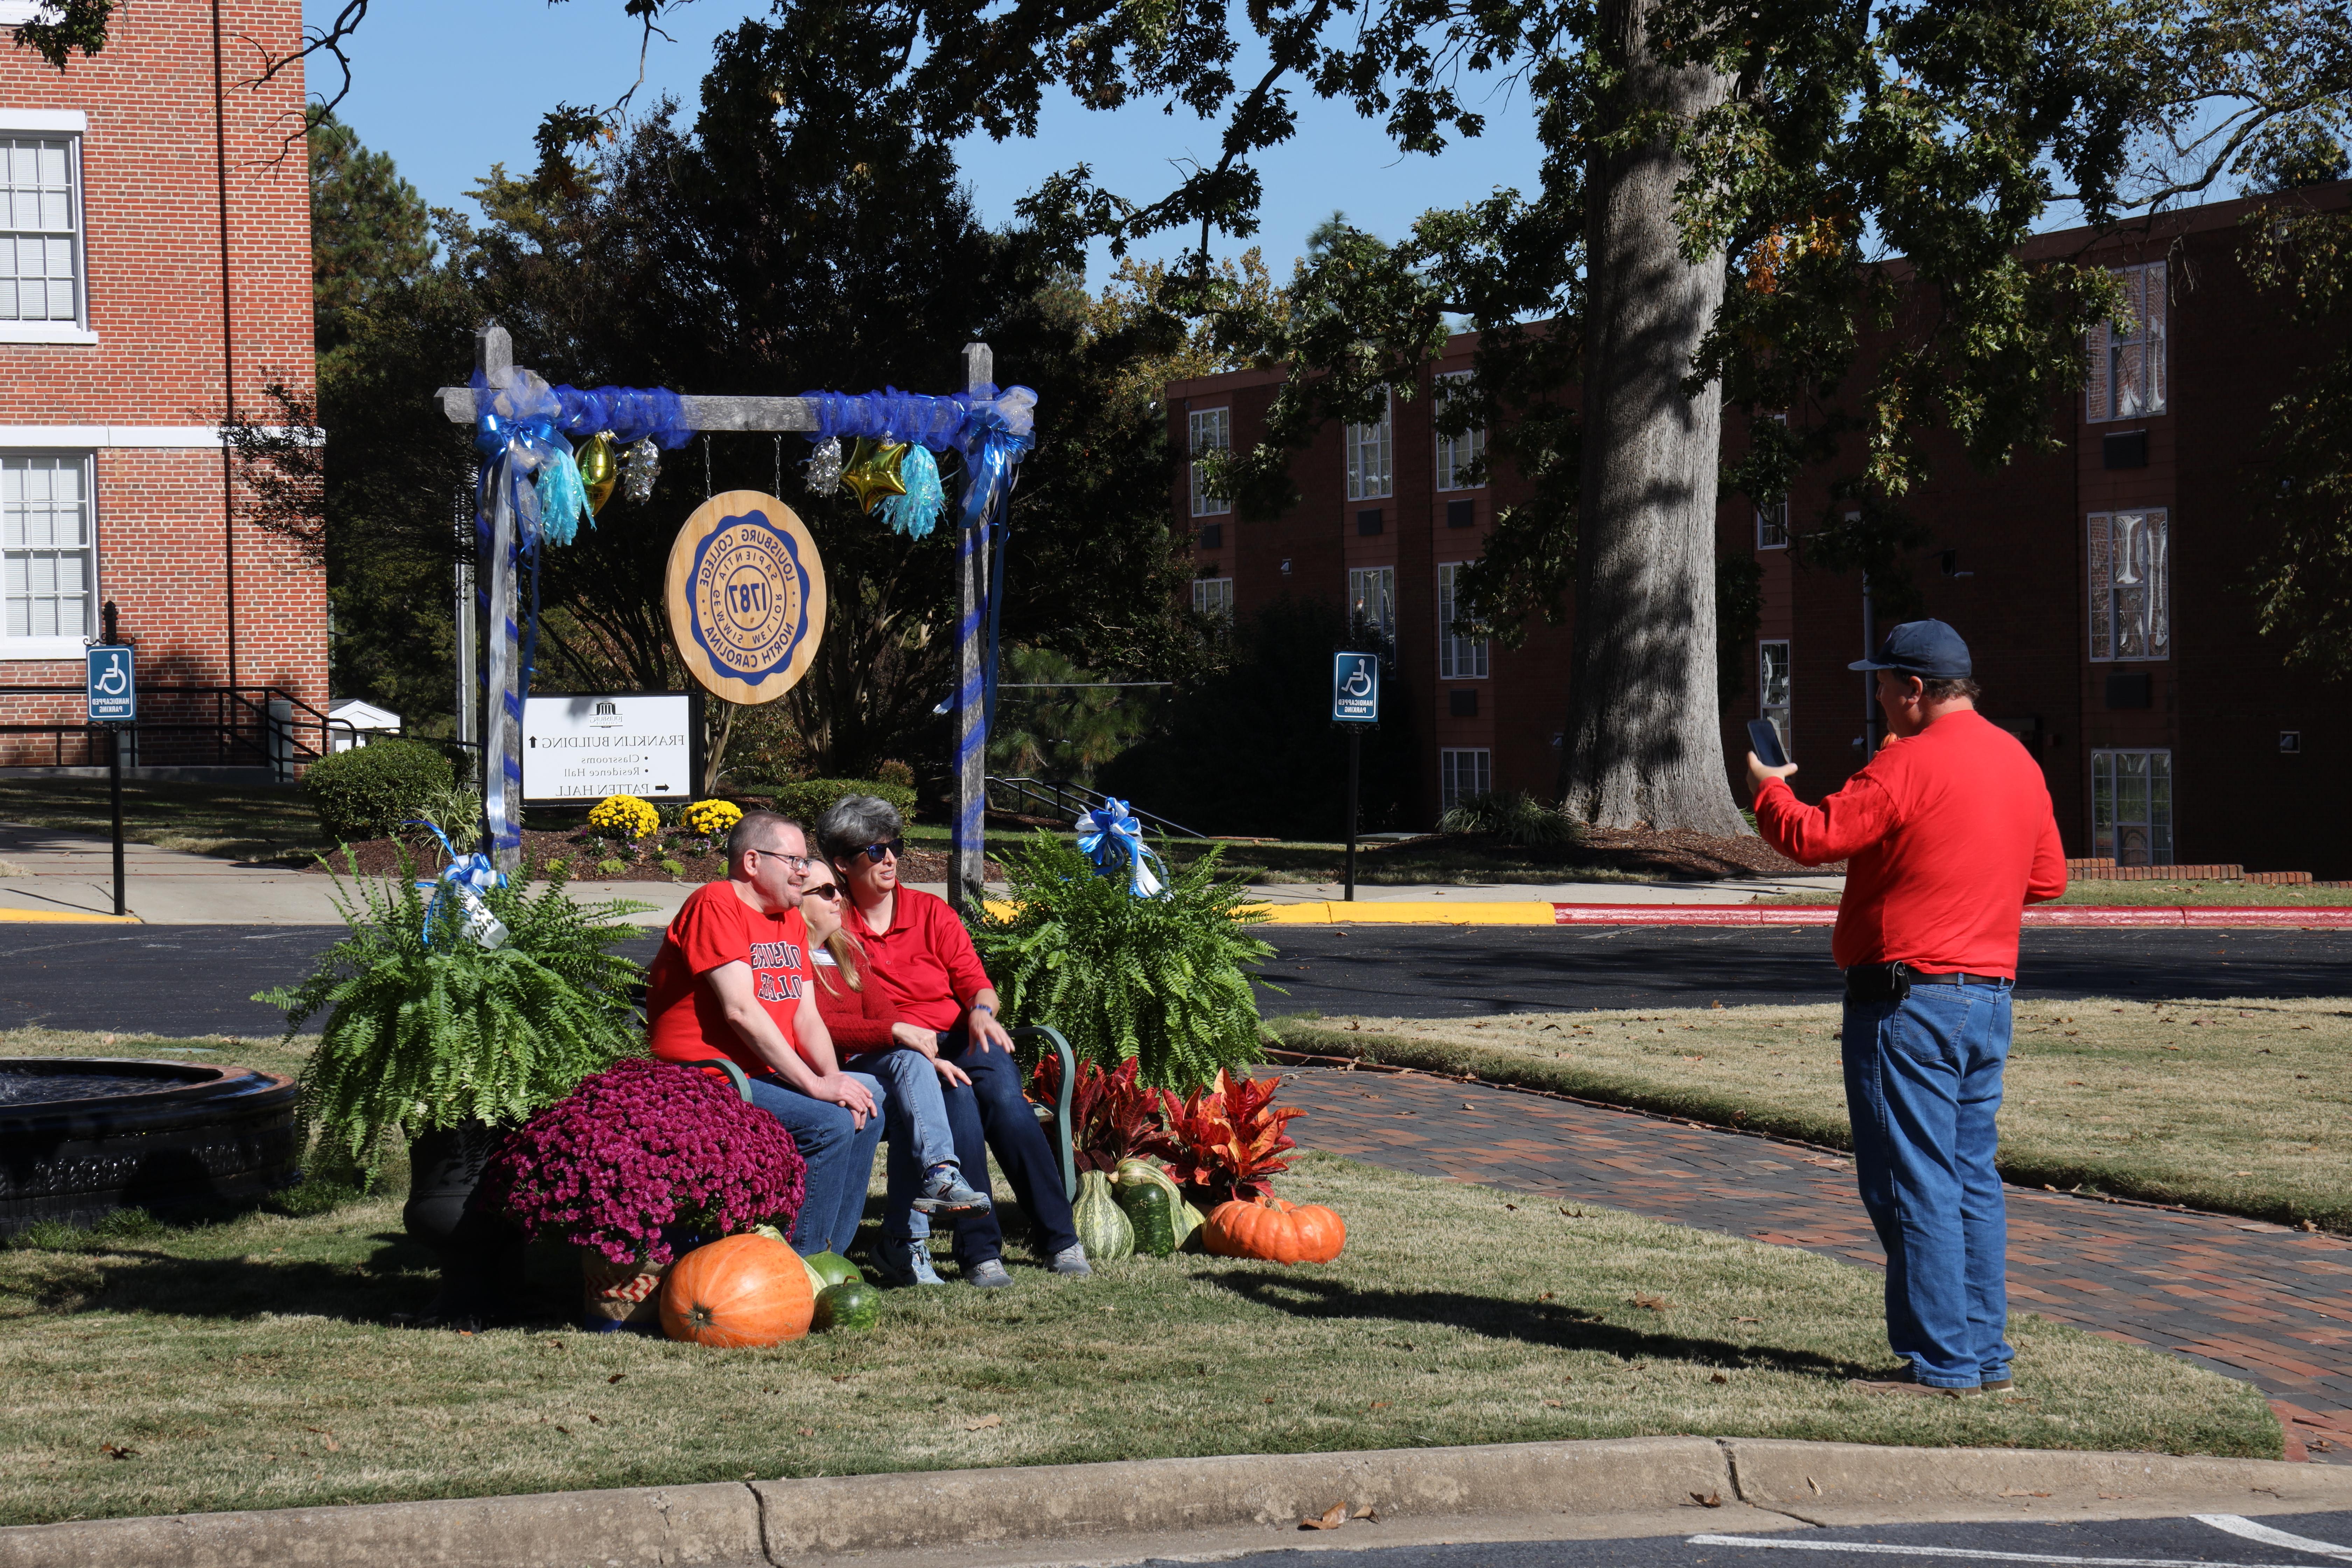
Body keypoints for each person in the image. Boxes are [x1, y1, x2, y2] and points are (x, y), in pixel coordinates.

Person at [1747, 620, 2065, 1396]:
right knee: (1970, 1179)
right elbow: (2047, 878)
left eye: (1884, 682)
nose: (1880, 695)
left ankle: (1943, 1361)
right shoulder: (2018, 759)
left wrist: (1768, 785)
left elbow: (1813, 836)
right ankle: (1983, 1353)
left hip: (1906, 1001)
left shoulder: (1906, 765)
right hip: (1987, 998)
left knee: (1911, 1182)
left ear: (1916, 689)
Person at [812, 794, 1090, 1288]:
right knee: (958, 1102)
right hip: (896, 1052)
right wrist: (906, 1041)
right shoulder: (834, 924)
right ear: (842, 863)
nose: (892, 858)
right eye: (875, 852)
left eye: (894, 845)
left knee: (1008, 1104)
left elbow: (976, 983)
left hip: (961, 1036)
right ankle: (980, 1252)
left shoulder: (930, 912)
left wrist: (983, 1013)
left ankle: (1060, 1238)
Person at [641, 810, 883, 1258]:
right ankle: (797, 1266)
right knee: (829, 1124)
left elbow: (806, 1018)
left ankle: (831, 1256)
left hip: (758, 1074)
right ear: (752, 861)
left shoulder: (789, 918)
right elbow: (740, 1010)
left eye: (806, 862)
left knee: (869, 1102)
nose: (804, 871)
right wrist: (815, 1086)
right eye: (794, 860)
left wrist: (837, 1083)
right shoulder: (715, 903)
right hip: (704, 1078)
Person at [794, 863, 994, 1232]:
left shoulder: (844, 950)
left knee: (913, 1067)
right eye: (826, 891)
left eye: (837, 887)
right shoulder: (793, 956)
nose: (840, 896)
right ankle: (909, 1235)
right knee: (907, 1066)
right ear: (797, 901)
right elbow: (819, 1026)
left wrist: (925, 1058)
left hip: (862, 1068)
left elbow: (883, 1013)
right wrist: (897, 1031)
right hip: (815, 1072)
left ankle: (934, 1189)